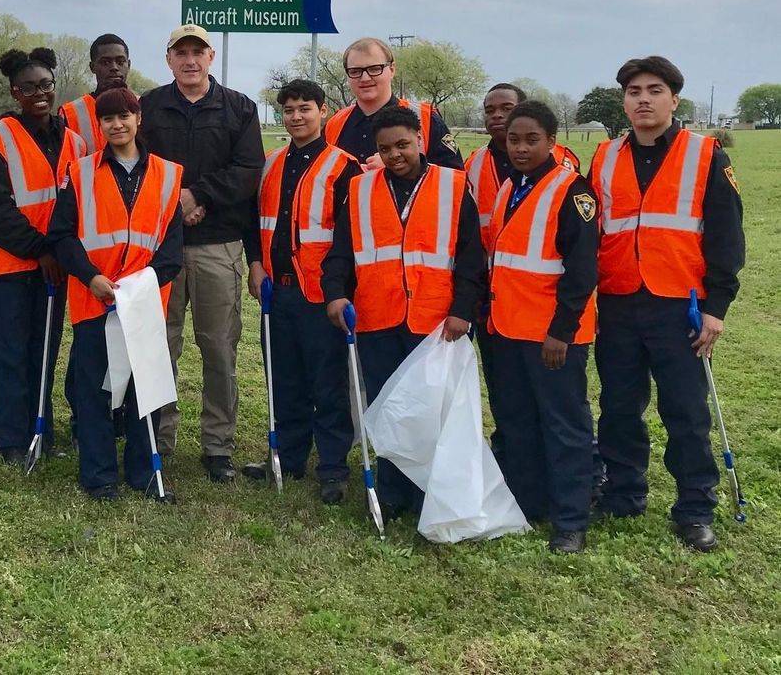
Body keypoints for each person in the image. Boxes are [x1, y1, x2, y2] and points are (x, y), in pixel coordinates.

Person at [590, 56, 745, 552]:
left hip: (681, 305)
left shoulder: (706, 154)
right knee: (617, 406)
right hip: (617, 301)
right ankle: (624, 491)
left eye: (654, 90)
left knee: (685, 412)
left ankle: (696, 507)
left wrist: (717, 306)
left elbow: (726, 236)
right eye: (634, 91)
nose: (643, 100)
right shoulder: (605, 156)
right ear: (624, 101)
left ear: (674, 99)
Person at [321, 105, 484, 524]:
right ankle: (393, 493)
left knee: (431, 411)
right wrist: (336, 294)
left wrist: (463, 310)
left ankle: (432, 490)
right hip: (377, 318)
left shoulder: (453, 185)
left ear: (420, 140)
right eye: (384, 148)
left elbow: (470, 257)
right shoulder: (360, 190)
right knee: (389, 409)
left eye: (403, 145)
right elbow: (341, 251)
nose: (395, 155)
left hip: (434, 322)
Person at [138, 24, 266, 482]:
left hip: (218, 245)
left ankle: (217, 446)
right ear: (168, 59)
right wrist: (175, 202)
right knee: (160, 346)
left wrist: (199, 197)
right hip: (159, 249)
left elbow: (249, 169)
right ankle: (159, 436)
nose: (190, 60)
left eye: (198, 51)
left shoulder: (239, 108)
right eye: (180, 53)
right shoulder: (149, 107)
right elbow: (137, 165)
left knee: (218, 349)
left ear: (211, 56)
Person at [48, 87, 184, 500]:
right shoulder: (81, 171)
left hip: (144, 302)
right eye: (108, 118)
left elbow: (172, 247)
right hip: (95, 300)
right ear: (100, 125)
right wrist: (90, 276)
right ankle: (99, 475)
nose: (117, 124)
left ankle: (145, 473)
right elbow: (62, 235)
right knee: (94, 392)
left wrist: (143, 284)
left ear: (138, 118)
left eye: (124, 115)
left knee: (147, 390)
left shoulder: (168, 175)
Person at [486, 101, 599, 554]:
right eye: (514, 139)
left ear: (553, 141)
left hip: (552, 337)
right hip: (508, 330)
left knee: (564, 426)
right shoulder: (509, 188)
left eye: (532, 139)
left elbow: (582, 270)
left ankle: (571, 519)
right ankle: (528, 502)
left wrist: (563, 331)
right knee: (517, 423)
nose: (521, 147)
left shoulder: (572, 191)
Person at [241, 80, 360, 503]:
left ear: (323, 111)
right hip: (278, 293)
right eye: (288, 109)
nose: (295, 116)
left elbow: (349, 238)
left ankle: (332, 468)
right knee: (283, 380)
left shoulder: (345, 168)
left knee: (327, 385)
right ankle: (288, 457)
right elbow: (255, 223)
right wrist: (255, 263)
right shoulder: (270, 165)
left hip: (321, 298)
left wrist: (338, 291)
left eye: (304, 108)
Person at [0, 48, 86, 464]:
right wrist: (40, 250)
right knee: (13, 351)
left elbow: (79, 203)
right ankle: (12, 439)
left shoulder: (74, 141)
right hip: (10, 265)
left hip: (56, 265)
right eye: (29, 87)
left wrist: (60, 252)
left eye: (46, 85)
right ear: (15, 93)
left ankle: (42, 430)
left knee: (45, 350)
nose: (40, 93)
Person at [464, 82, 582, 457]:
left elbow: (577, 254)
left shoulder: (564, 169)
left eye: (506, 108)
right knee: (506, 395)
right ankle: (514, 463)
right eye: (489, 110)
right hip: (495, 303)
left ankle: (571, 484)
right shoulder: (475, 165)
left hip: (543, 312)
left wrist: (563, 325)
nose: (496, 115)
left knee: (558, 407)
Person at [324, 36, 463, 170]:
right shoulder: (334, 124)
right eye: (355, 71)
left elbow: (454, 178)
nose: (365, 78)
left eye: (374, 69)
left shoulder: (426, 119)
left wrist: (401, 166)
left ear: (391, 70)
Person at [59, 33, 133, 153]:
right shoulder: (70, 113)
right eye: (105, 62)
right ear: (92, 67)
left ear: (128, 65)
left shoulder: (144, 104)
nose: (114, 67)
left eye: (120, 62)